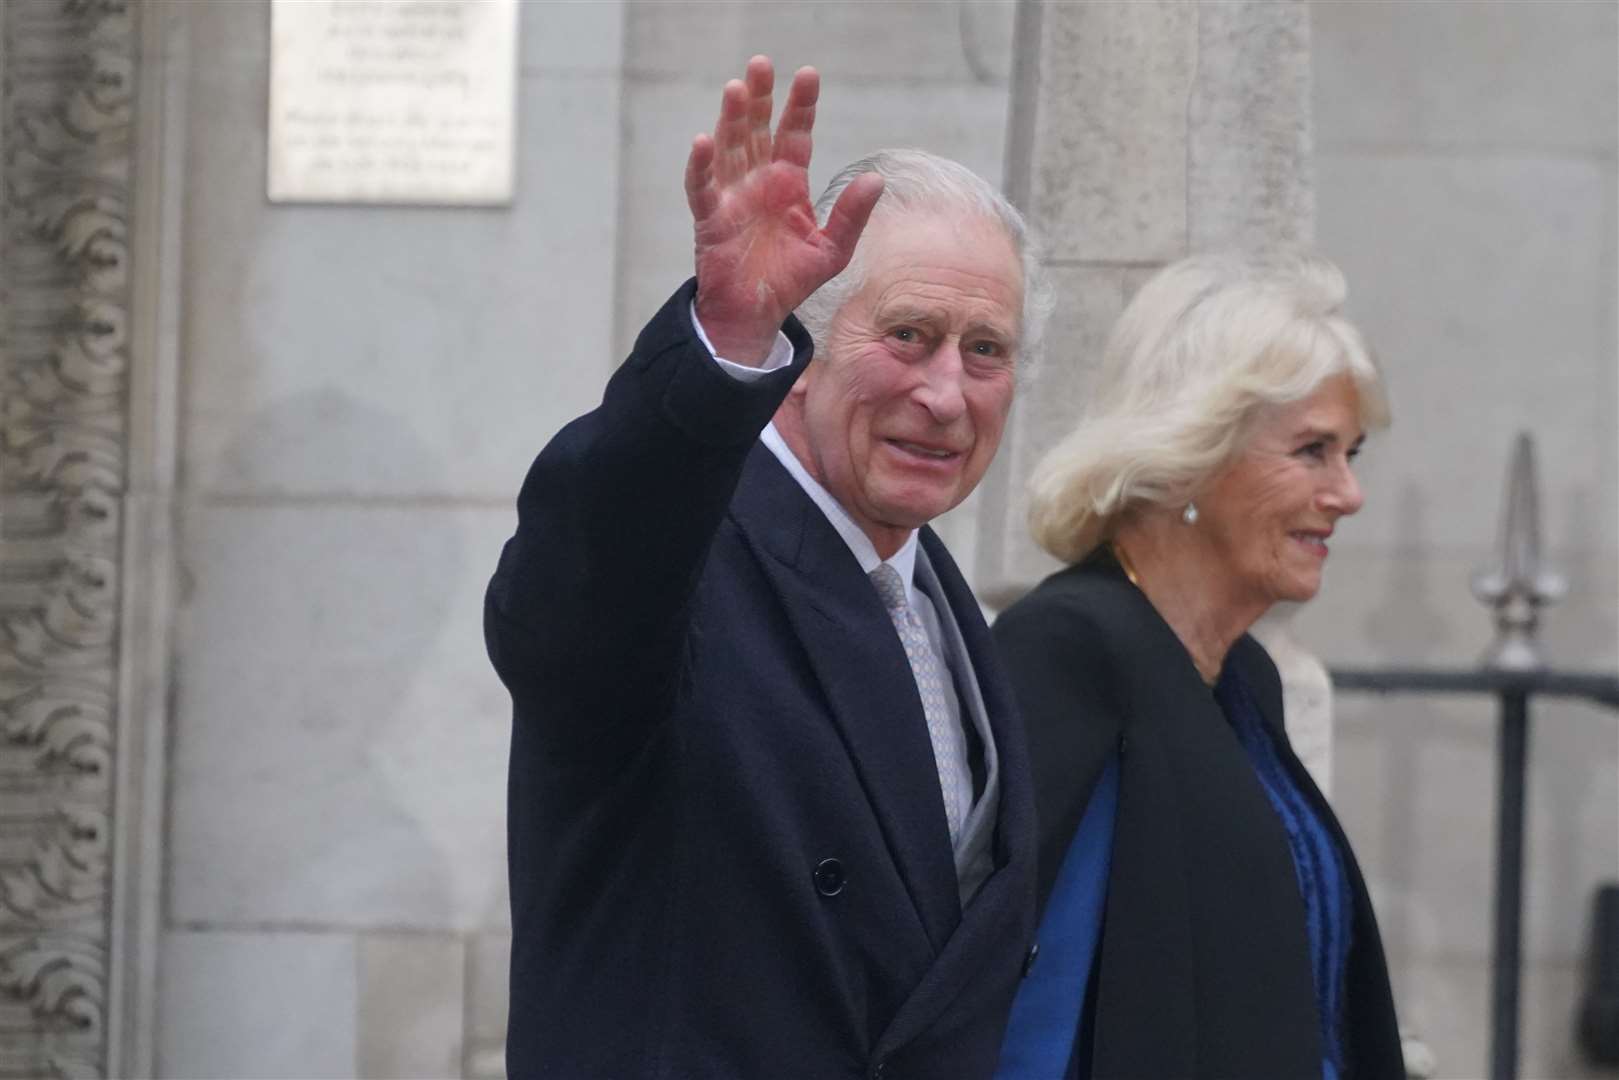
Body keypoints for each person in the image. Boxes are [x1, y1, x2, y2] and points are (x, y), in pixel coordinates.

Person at [485, 56, 1049, 1079]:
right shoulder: (687, 556)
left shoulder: (935, 602)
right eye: (909, 336)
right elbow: (573, 592)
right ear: (807, 351)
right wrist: (721, 349)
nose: (945, 394)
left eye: (984, 351)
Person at [991, 252, 1406, 1079]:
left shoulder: (1243, 675)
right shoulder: (1072, 650)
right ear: (1192, 454)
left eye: (1350, 453)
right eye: (1313, 451)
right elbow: (1030, 1008)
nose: (1348, 493)